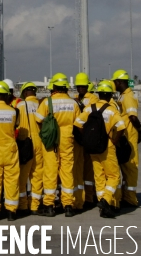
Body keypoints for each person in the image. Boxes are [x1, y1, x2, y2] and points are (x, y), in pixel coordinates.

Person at [74, 80, 126, 218]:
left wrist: (87, 137)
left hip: (92, 148)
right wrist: (114, 140)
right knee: (114, 176)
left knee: (99, 177)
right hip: (107, 147)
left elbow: (77, 123)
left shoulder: (89, 108)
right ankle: (106, 199)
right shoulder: (111, 110)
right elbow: (121, 127)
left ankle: (103, 207)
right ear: (109, 95)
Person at [36, 72, 81, 217]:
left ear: (53, 86)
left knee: (50, 171)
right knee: (67, 171)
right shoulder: (73, 103)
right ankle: (68, 205)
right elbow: (79, 123)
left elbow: (38, 119)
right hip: (68, 140)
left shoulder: (47, 102)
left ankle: (49, 205)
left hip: (51, 140)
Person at [0, 81, 20, 221]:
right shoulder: (13, 111)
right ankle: (11, 211)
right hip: (10, 148)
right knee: (12, 180)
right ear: (7, 95)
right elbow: (16, 126)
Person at [111, 69, 141, 207]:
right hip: (125, 136)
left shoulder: (128, 97)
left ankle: (130, 199)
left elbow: (133, 117)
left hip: (130, 137)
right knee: (125, 167)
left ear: (119, 82)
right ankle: (125, 196)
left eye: (114, 82)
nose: (113, 84)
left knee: (130, 168)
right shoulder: (123, 96)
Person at [16, 81, 43, 216]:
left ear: (25, 93)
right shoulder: (40, 105)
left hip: (25, 142)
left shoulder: (20, 105)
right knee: (37, 176)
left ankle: (23, 205)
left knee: (22, 177)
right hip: (40, 143)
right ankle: (35, 205)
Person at [73, 73, 98, 211]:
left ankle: (89, 197)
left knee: (89, 170)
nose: (81, 88)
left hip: (88, 136)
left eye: (83, 86)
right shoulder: (76, 98)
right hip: (79, 137)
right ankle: (81, 197)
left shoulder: (92, 98)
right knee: (79, 168)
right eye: (79, 86)